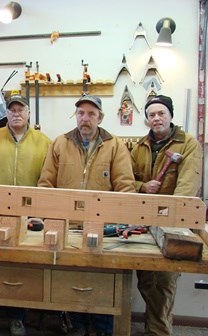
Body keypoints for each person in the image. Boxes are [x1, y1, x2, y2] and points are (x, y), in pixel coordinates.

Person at [38, 95, 136, 336]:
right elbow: (45, 184)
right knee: (72, 279)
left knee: (103, 280)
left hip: (104, 227)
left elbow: (125, 186)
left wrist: (123, 221)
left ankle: (102, 328)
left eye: (91, 114)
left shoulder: (115, 145)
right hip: (67, 226)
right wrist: (43, 216)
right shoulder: (59, 143)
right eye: (81, 113)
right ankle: (76, 324)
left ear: (100, 118)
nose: (85, 118)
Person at [0, 94, 51, 336]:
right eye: (12, 109)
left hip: (29, 215)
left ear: (28, 113)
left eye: (20, 109)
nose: (16, 113)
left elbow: (49, 178)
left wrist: (41, 209)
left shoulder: (44, 142)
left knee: (21, 266)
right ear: (8, 113)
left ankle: (18, 318)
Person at [130, 95, 202, 336]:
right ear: (147, 119)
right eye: (151, 114)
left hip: (172, 224)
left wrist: (168, 217)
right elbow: (128, 181)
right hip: (142, 223)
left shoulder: (188, 144)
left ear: (171, 116)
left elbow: (186, 189)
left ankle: (159, 331)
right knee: (146, 280)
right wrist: (142, 187)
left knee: (163, 283)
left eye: (161, 113)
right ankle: (154, 327)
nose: (156, 118)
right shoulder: (140, 146)